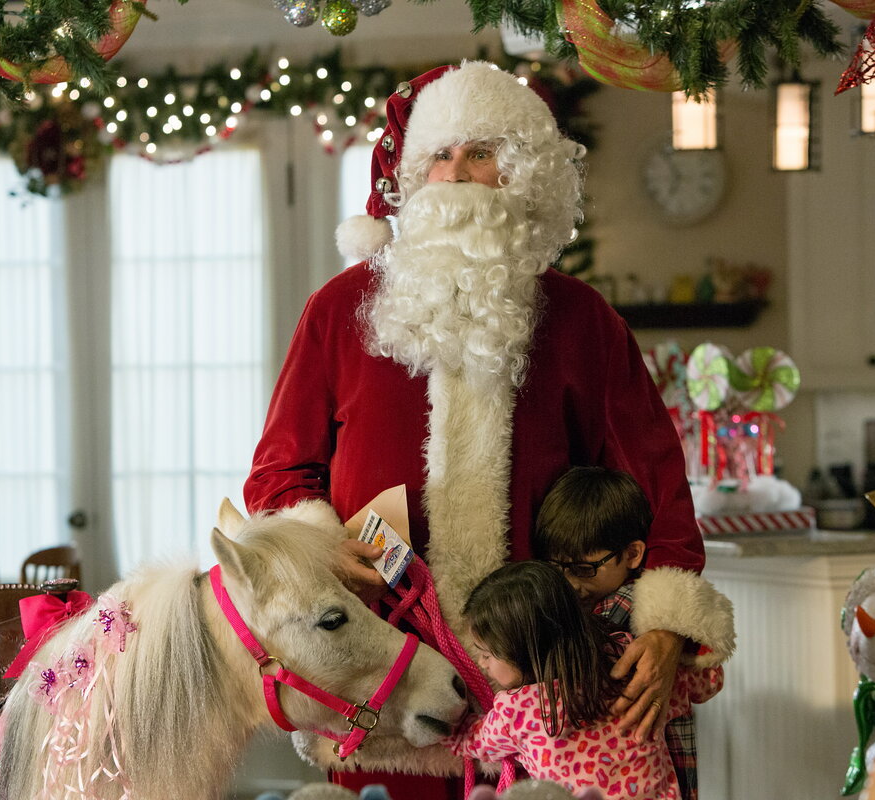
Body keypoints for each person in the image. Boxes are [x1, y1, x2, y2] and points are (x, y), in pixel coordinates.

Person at [244, 60, 706, 795]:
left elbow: (656, 486)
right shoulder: (337, 311)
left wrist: (668, 621)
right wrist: (325, 550)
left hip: (546, 697)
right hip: (382, 680)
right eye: (439, 155)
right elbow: (278, 476)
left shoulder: (584, 321)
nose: (455, 175)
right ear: (413, 177)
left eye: (481, 154)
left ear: (519, 177)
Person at [532, 466, 734, 800]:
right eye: (559, 569)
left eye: (584, 569)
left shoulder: (624, 611)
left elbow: (706, 681)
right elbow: (709, 683)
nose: (571, 583)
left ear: (633, 554)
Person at [446, 561, 723, 798]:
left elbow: (470, 741)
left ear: (525, 649)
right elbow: (707, 682)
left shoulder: (516, 711)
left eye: (487, 654)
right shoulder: (627, 660)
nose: (482, 664)